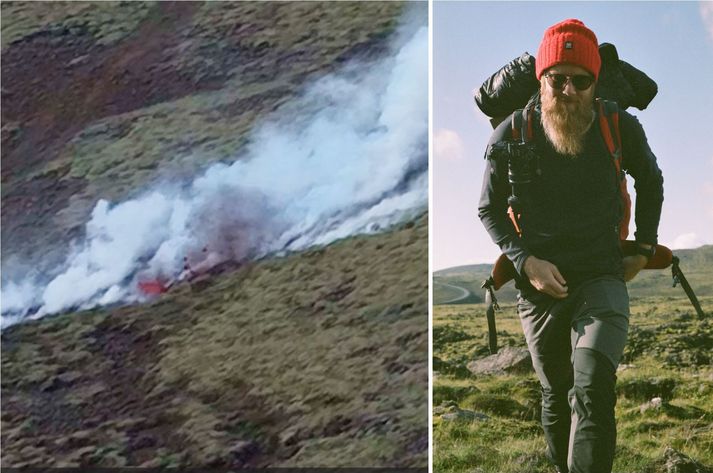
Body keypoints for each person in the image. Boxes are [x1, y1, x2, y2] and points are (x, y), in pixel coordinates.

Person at [477, 19, 664, 473]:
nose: (568, 90)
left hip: (601, 276)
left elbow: (651, 180)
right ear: (541, 80)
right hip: (538, 288)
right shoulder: (511, 133)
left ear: (594, 84)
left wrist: (643, 246)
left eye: (580, 81)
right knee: (556, 394)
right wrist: (528, 262)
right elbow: (489, 208)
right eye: (556, 79)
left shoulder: (617, 125)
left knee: (593, 386)